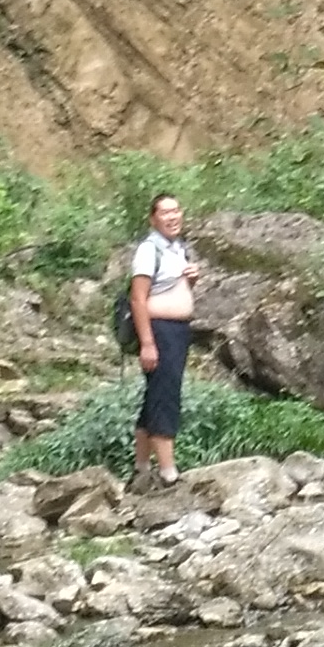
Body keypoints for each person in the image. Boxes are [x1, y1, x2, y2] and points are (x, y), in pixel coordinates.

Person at [124, 192, 195, 488]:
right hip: (159, 331)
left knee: (154, 396)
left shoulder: (177, 248)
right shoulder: (148, 249)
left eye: (176, 210)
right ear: (153, 219)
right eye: (165, 212)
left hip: (175, 330)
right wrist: (148, 343)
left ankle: (141, 468)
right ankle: (168, 473)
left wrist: (190, 280)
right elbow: (138, 298)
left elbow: (170, 288)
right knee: (166, 397)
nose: (173, 216)